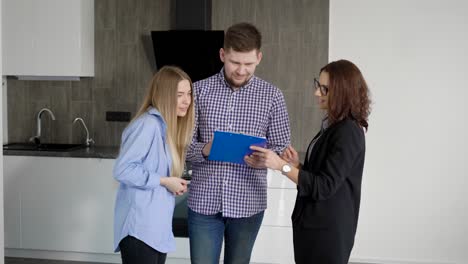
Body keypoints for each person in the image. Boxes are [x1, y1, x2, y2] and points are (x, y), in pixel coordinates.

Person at [245, 59, 371, 264]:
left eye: (325, 89)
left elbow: (323, 187)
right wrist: (296, 166)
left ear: (342, 92)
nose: (317, 93)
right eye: (318, 85)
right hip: (315, 228)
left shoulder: (347, 132)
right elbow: (320, 177)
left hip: (328, 233)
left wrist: (280, 166)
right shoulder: (333, 127)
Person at [186, 22, 291, 264]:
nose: (241, 70)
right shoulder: (198, 91)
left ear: (259, 58)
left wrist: (266, 159)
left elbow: (281, 147)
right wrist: (204, 149)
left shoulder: (272, 96)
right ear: (223, 55)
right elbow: (181, 146)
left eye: (248, 64)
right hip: (204, 202)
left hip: (248, 203)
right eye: (235, 63)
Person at [113, 66, 195, 264]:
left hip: (155, 230)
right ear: (165, 96)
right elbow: (123, 169)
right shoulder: (147, 125)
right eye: (180, 95)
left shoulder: (164, 127)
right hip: (139, 229)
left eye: (189, 94)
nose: (187, 101)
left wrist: (170, 184)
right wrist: (165, 181)